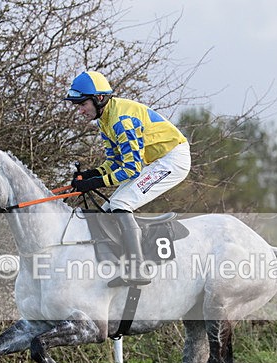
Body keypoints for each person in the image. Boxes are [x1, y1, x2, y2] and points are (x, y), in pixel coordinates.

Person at [63, 70, 191, 285]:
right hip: (156, 161)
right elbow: (115, 162)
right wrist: (91, 174)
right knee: (108, 209)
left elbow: (131, 169)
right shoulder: (104, 119)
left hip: (172, 160)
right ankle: (116, 263)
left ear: (99, 98)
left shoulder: (121, 120)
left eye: (83, 104)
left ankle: (138, 269)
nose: (80, 111)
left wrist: (95, 182)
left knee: (121, 203)